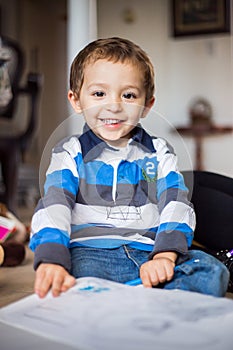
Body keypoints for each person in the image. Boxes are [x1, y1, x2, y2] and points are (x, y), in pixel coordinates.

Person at [29, 37, 229, 298]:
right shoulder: (69, 153)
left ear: (147, 105)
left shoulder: (159, 152)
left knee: (212, 272)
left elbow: (176, 202)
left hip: (149, 252)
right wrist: (52, 259)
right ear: (76, 100)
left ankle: (125, 297)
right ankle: (135, 298)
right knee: (70, 276)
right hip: (90, 254)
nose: (114, 105)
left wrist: (165, 257)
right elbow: (54, 206)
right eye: (99, 93)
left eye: (129, 95)